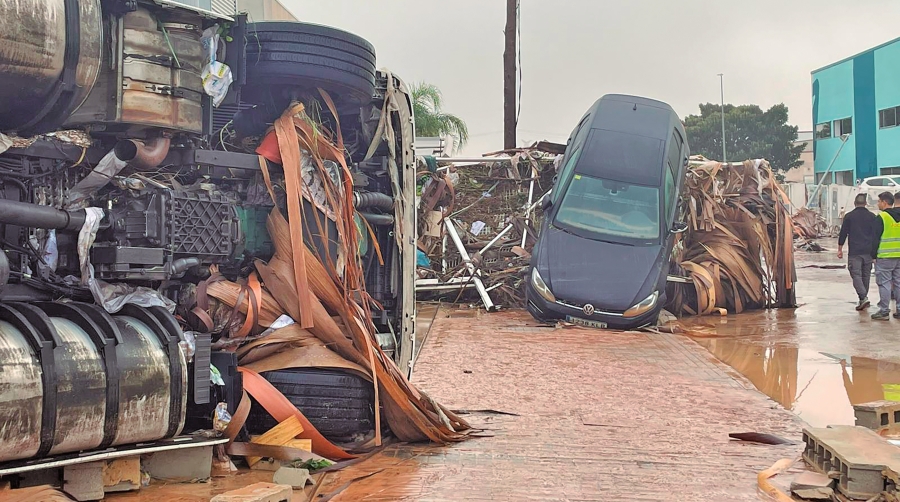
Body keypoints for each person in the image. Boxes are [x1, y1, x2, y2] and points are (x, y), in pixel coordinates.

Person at [838, 193, 876, 310]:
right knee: (866, 275)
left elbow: (843, 233)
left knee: (856, 275)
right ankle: (863, 298)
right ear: (865, 203)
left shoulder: (849, 216)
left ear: (855, 203)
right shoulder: (872, 216)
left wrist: (840, 249)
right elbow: (875, 235)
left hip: (855, 251)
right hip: (868, 251)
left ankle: (863, 297)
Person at [871, 191, 900, 320]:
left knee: (884, 283)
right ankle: (899, 310)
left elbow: (875, 238)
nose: (878, 204)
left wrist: (873, 255)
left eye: (879, 201)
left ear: (884, 202)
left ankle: (884, 311)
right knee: (898, 283)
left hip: (885, 256)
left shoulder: (882, 217)